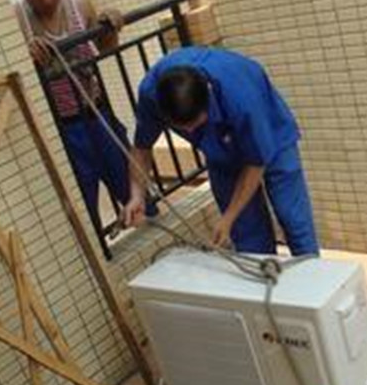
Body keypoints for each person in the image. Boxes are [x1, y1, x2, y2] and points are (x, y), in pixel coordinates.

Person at [123, 47, 319, 256]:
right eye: (182, 129)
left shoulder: (241, 99)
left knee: (292, 217)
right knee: (246, 231)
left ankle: (311, 268)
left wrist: (228, 217)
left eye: (195, 125)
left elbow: (255, 164)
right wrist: (137, 195)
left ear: (208, 98)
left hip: (271, 132)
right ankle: (262, 268)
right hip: (219, 150)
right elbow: (142, 148)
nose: (189, 132)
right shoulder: (151, 95)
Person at [14, 0, 157, 258]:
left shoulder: (79, 5)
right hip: (63, 128)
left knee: (132, 185)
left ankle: (160, 243)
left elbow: (106, 50)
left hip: (98, 113)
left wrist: (110, 27)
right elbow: (14, 74)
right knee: (82, 205)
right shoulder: (17, 20)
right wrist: (25, 56)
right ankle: (96, 258)